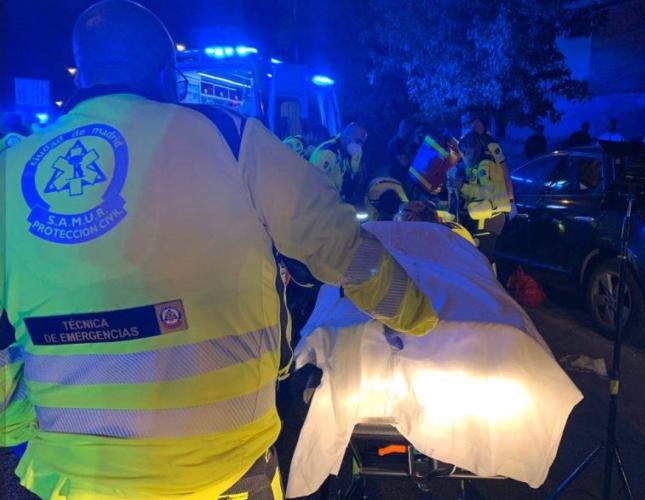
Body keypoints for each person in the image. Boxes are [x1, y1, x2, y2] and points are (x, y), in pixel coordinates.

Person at [0, 2, 437, 499]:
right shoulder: (229, 138)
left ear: (81, 73)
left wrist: (22, 428)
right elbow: (340, 247)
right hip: (223, 469)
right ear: (167, 74)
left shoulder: (10, 171)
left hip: (72, 477)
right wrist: (422, 321)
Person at [458, 108, 515, 261]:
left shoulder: (490, 144)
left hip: (491, 210)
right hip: (483, 208)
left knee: (483, 257)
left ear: (476, 122)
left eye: (466, 123)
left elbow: (503, 170)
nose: (464, 127)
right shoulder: (471, 142)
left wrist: (510, 199)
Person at [309, 121, 368, 200]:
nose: (359, 146)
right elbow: (315, 183)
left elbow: (354, 176)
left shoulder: (351, 153)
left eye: (362, 143)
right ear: (347, 136)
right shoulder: (327, 152)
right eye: (357, 141)